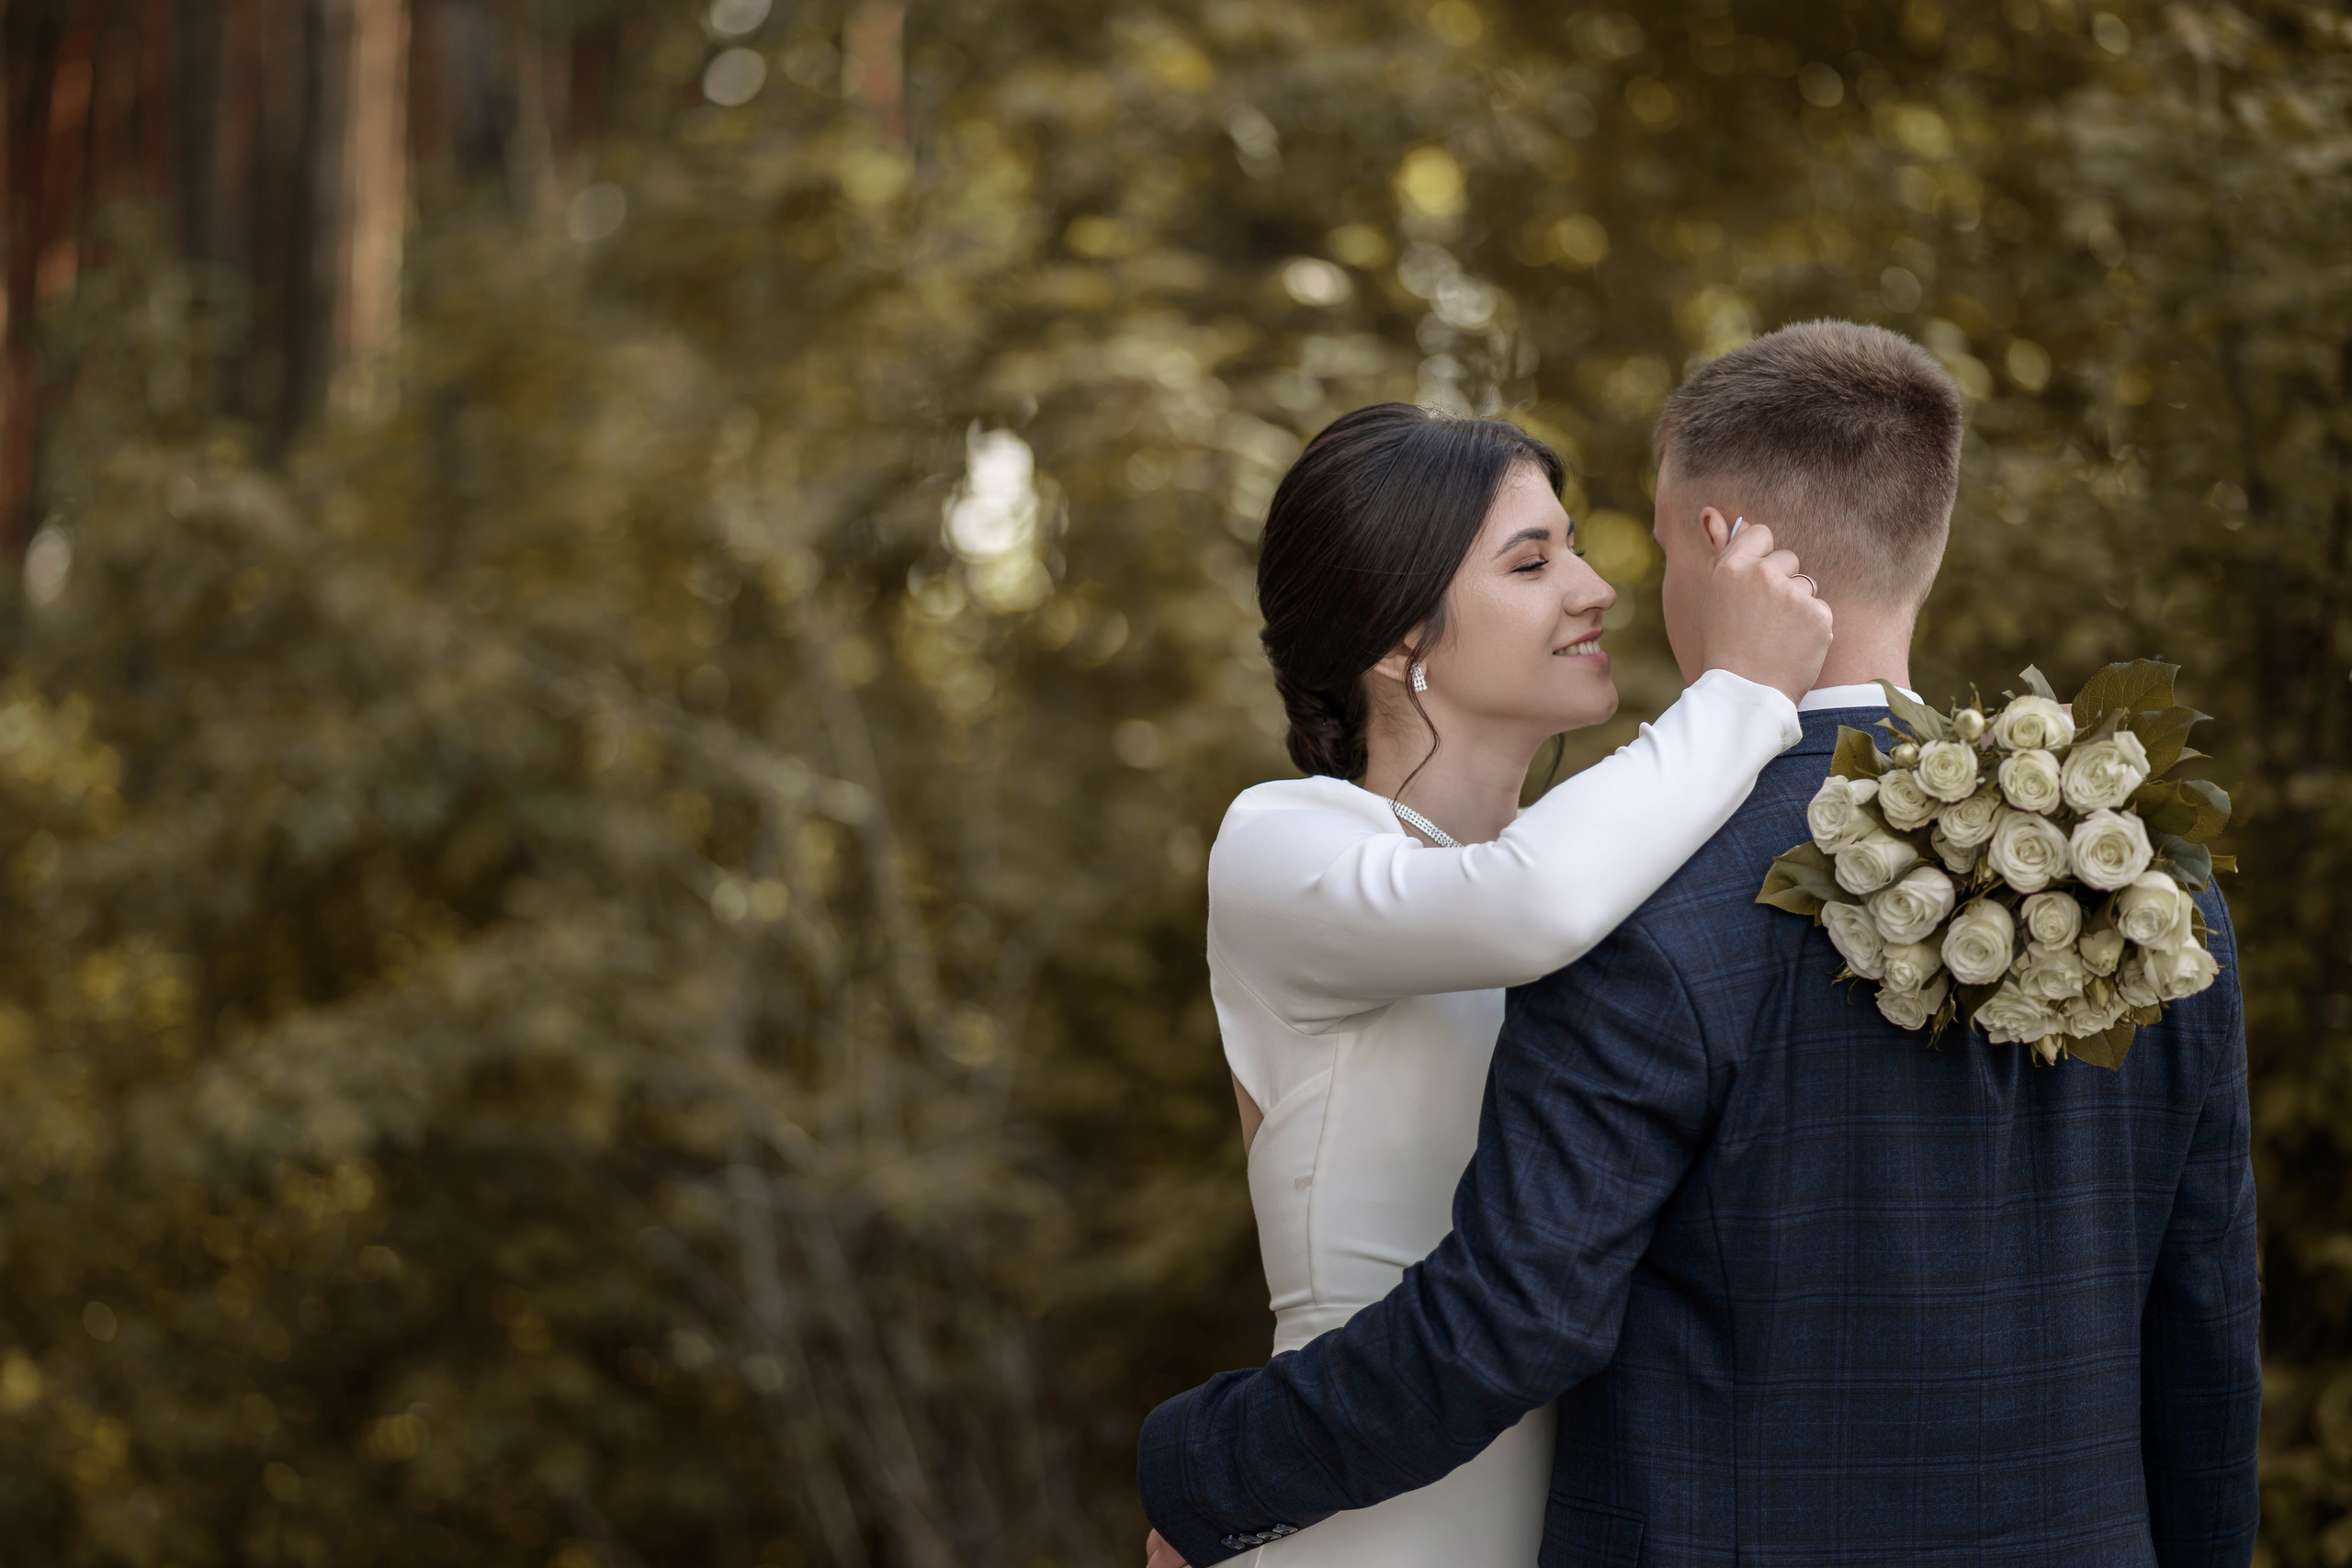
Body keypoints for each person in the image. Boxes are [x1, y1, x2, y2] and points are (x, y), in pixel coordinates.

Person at [1140, 321, 2259, 1568]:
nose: (1604, 587)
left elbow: (1523, 1311)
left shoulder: (1653, 903)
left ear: (1729, 545)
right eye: (1536, 558)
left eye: (1630, 543)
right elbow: (2206, 1325)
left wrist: (1200, 1464)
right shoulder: (2154, 889)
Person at [1164, 397, 1832, 1567]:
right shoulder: (1282, 843)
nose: (1595, 589)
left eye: (1572, 546)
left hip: (1597, 1513)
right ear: (1396, 638)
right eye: (1533, 562)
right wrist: (1742, 692)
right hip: (1365, 1514)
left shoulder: (1599, 866)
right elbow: (1530, 906)